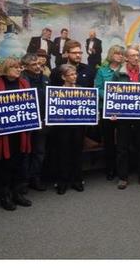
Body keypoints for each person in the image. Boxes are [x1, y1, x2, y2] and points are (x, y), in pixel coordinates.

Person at [0, 57, 33, 210]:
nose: (18, 70)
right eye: (15, 67)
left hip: (21, 132)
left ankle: (17, 193)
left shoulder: (24, 83)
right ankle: (5, 195)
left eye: (19, 67)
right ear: (6, 69)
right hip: (3, 134)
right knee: (4, 165)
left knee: (19, 162)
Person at [111, 45, 140, 189]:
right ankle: (123, 177)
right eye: (132, 56)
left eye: (137, 55)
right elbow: (112, 94)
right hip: (124, 117)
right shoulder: (118, 75)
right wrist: (112, 110)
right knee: (122, 147)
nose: (136, 58)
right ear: (126, 58)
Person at [53, 64, 86, 195]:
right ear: (63, 77)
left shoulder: (81, 89)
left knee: (77, 153)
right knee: (63, 154)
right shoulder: (56, 91)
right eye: (71, 74)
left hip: (78, 127)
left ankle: (77, 180)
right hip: (62, 128)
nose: (74, 77)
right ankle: (62, 182)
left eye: (75, 74)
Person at [94, 45, 125, 181]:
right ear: (111, 54)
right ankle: (110, 168)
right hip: (106, 109)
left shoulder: (125, 70)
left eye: (121, 54)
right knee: (108, 140)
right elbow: (98, 88)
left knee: (123, 140)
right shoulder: (102, 71)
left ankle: (122, 168)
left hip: (123, 110)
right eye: (117, 53)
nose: (119, 56)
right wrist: (110, 96)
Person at [21, 53, 50, 191]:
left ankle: (35, 178)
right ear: (25, 66)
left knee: (39, 152)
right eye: (34, 64)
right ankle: (23, 181)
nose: (38, 66)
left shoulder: (45, 79)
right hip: (26, 123)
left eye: (39, 63)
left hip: (43, 122)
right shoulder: (21, 80)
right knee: (25, 153)